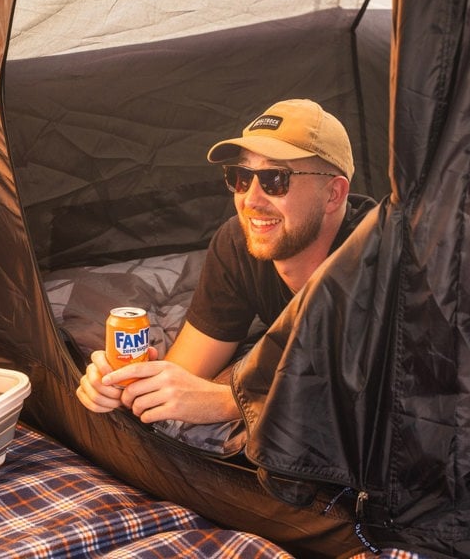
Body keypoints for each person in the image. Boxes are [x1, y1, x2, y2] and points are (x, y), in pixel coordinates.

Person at [76, 98, 376, 426]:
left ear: (333, 194)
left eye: (276, 179)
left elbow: (373, 400)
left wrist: (230, 401)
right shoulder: (237, 243)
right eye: (241, 177)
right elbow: (186, 373)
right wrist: (126, 387)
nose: (250, 200)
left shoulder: (377, 262)